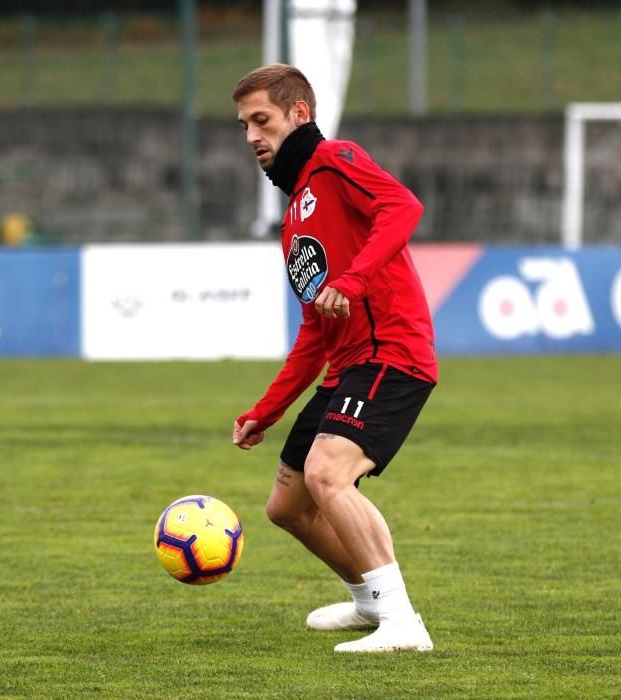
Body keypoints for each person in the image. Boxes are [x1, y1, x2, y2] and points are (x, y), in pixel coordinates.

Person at [230, 64, 438, 652]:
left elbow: (403, 207)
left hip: (391, 353)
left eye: (261, 120)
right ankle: (371, 602)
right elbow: (314, 332)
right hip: (347, 364)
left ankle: (403, 624)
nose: (251, 136)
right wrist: (264, 412)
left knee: (327, 474)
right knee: (288, 505)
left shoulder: (337, 158)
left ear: (299, 114)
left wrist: (352, 278)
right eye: (245, 125)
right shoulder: (293, 216)